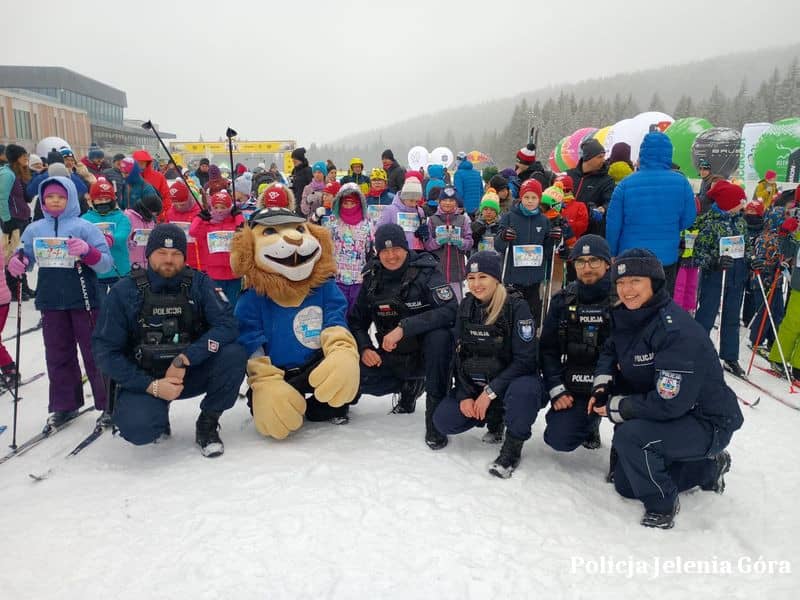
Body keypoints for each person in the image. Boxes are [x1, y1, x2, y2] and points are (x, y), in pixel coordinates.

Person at [589, 248, 743, 529]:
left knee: (633, 438)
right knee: (626, 485)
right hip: (672, 413)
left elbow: (670, 403)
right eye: (621, 282)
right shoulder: (628, 316)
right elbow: (610, 352)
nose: (626, 289)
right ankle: (702, 466)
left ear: (654, 283)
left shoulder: (675, 331)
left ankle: (663, 503)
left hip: (706, 420)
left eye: (635, 281)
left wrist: (615, 407)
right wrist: (602, 387)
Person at [92, 224, 246, 456]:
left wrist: (187, 358)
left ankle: (208, 423)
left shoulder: (199, 284)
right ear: (149, 254)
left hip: (188, 371)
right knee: (139, 429)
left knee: (234, 353)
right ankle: (156, 415)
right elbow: (104, 351)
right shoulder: (124, 291)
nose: (169, 260)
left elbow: (227, 326)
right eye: (161, 253)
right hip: (145, 377)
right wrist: (151, 386)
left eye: (176, 254)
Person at [8, 176, 113, 428]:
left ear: (70, 199)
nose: (55, 201)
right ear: (42, 201)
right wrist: (18, 262)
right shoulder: (35, 229)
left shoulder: (84, 227)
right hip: (52, 299)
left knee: (94, 353)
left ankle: (109, 402)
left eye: (60, 197)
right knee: (57, 353)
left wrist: (88, 251)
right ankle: (65, 404)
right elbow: (26, 257)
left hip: (84, 298)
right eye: (50, 198)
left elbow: (106, 263)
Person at [432, 251, 543, 477]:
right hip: (478, 381)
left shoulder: (516, 307)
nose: (476, 284)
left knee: (525, 390)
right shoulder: (466, 306)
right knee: (443, 420)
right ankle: (494, 418)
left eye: (482, 277)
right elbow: (459, 355)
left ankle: (511, 450)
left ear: (496, 278)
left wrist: (491, 392)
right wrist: (464, 394)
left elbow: (526, 360)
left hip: (511, 384)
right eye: (471, 278)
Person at [349, 223, 457, 449]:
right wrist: (365, 348)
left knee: (440, 337)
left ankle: (434, 419)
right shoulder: (372, 278)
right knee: (351, 375)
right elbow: (356, 321)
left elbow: (450, 309)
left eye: (396, 249)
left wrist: (404, 327)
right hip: (394, 356)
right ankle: (408, 387)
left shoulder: (426, 272)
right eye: (384, 251)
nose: (391, 256)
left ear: (406, 248)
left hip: (428, 358)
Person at [541, 235, 613, 453]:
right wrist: (556, 387)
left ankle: (624, 452)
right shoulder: (562, 300)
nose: (587, 267)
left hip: (616, 384)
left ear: (607, 264)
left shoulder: (623, 300)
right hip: (576, 381)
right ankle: (588, 423)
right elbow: (547, 349)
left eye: (594, 261)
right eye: (581, 261)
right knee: (558, 438)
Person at [606, 132, 696, 295]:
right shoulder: (681, 182)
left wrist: (612, 252)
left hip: (630, 257)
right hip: (666, 257)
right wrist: (670, 225)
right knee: (661, 306)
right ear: (669, 154)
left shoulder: (626, 184)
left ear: (642, 153)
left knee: (629, 304)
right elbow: (689, 219)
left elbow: (613, 224)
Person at [693, 181, 756, 377]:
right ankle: (697, 354)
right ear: (728, 203)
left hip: (737, 275)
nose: (743, 204)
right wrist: (715, 261)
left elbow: (746, 248)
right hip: (716, 276)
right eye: (740, 201)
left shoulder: (740, 221)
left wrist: (753, 260)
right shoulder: (710, 224)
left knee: (732, 317)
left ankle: (730, 356)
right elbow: (698, 254)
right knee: (707, 315)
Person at [493, 178, 554, 327]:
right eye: (526, 197)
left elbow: (548, 250)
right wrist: (503, 236)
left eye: (534, 197)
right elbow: (498, 245)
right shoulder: (509, 217)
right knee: (513, 314)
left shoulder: (544, 220)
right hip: (513, 276)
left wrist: (555, 239)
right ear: (521, 197)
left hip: (534, 277)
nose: (530, 201)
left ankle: (533, 339)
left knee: (532, 315)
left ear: (539, 199)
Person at [81, 177, 132, 303]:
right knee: (99, 306)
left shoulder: (121, 217)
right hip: (96, 272)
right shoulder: (85, 219)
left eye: (106, 199)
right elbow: (81, 237)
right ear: (92, 201)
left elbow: (123, 234)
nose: (102, 202)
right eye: (99, 199)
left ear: (112, 200)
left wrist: (109, 240)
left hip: (119, 269)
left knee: (121, 304)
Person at [190, 190, 244, 305]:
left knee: (233, 306)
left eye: (223, 207)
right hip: (213, 275)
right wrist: (199, 217)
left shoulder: (234, 224)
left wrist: (238, 215)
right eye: (216, 207)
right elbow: (192, 231)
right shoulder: (207, 225)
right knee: (217, 306)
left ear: (230, 207)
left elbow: (243, 231)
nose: (219, 210)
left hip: (233, 274)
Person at [325, 182, 373, 311]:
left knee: (356, 315)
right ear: (340, 203)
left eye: (352, 203)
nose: (349, 206)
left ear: (360, 203)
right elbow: (326, 247)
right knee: (339, 313)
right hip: (338, 277)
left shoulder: (367, 223)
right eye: (345, 203)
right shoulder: (333, 221)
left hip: (358, 278)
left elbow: (369, 249)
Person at [423, 185, 473, 301]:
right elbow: (427, 245)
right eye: (444, 200)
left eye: (451, 200)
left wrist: (460, 242)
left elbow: (470, 242)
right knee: (439, 301)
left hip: (456, 270)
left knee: (457, 301)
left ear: (456, 203)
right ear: (439, 202)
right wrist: (437, 242)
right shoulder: (432, 220)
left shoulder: (462, 220)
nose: (448, 203)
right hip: (438, 270)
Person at [0, 144, 34, 300]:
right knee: (12, 255)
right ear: (15, 158)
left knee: (21, 254)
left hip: (21, 218)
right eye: (23, 156)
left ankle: (23, 286)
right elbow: (2, 198)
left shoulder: (18, 173)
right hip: (13, 220)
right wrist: (7, 220)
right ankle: (14, 289)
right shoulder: (7, 174)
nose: (26, 158)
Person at [567, 139, 615, 237]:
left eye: (603, 156)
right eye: (599, 157)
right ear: (588, 158)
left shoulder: (606, 180)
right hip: (567, 233)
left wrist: (603, 209)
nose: (603, 160)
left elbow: (611, 201)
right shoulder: (569, 175)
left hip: (591, 234)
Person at [376, 172, 428, 251]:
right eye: (411, 200)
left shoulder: (419, 211)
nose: (414, 204)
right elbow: (378, 231)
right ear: (404, 197)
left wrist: (423, 234)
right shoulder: (390, 210)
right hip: (396, 252)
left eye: (417, 201)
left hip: (416, 252)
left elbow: (423, 235)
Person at [163, 180, 202, 270]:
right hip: (176, 258)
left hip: (196, 259)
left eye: (182, 204)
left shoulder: (199, 213)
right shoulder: (170, 213)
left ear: (188, 199)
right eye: (175, 204)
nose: (179, 207)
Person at [471, 188, 502, 253]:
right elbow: (471, 245)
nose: (488, 212)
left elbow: (503, 246)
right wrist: (476, 235)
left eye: (492, 209)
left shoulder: (501, 225)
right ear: (481, 211)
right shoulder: (475, 224)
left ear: (497, 212)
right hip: (478, 258)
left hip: (496, 259)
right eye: (485, 209)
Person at [290, 147, 313, 216]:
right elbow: (293, 185)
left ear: (300, 159)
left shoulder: (308, 171)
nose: (293, 161)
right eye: (292, 160)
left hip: (306, 203)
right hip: (296, 204)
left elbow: (312, 187)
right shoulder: (294, 171)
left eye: (295, 160)